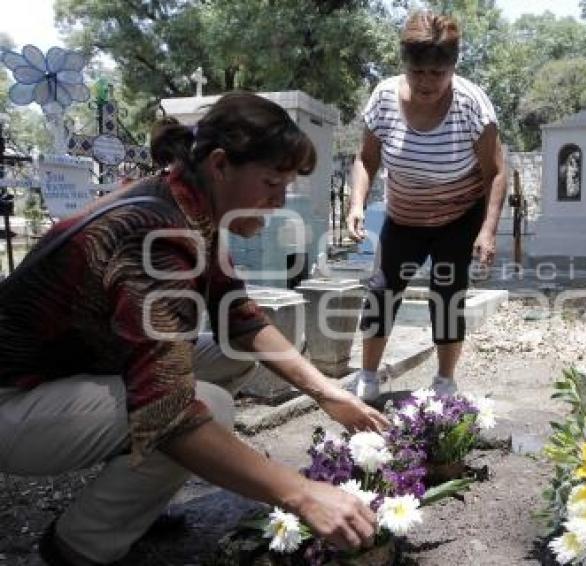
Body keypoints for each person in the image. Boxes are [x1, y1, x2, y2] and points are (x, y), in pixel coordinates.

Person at [0, 93, 388, 565]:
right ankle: (80, 547)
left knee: (238, 352)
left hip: (70, 368)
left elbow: (238, 316)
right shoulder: (157, 236)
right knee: (211, 408)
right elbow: (169, 412)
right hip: (15, 400)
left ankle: (135, 496)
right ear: (221, 164)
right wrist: (303, 494)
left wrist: (328, 393)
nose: (278, 202)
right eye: (271, 183)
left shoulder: (188, 203)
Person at [346, 10, 507, 401]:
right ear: (405, 65)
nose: (427, 83)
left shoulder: (472, 105)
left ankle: (445, 382)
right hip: (403, 217)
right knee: (382, 290)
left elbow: (496, 173)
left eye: (438, 73)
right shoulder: (384, 97)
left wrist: (487, 230)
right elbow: (366, 159)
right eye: (418, 72)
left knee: (448, 293)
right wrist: (356, 204)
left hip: (457, 217)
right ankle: (367, 377)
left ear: (453, 67)